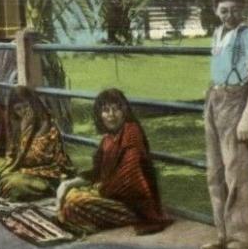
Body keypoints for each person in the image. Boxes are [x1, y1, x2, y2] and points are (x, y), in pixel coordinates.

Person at [200, 0, 248, 249]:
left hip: (235, 102)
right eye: (224, 10)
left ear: (243, 9)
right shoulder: (218, 33)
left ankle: (240, 245)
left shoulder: (247, 34)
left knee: (235, 174)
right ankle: (223, 235)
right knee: (214, 173)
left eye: (235, 10)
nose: (229, 15)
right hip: (214, 100)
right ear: (216, 11)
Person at [56, 88, 173, 235]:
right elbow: (97, 172)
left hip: (134, 205)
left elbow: (129, 176)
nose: (111, 115)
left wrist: (98, 190)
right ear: (99, 114)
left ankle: (90, 222)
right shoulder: (108, 139)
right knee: (71, 194)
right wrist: (67, 184)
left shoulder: (131, 132)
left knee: (74, 204)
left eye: (116, 109)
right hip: (113, 196)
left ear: (125, 112)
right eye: (105, 110)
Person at [0, 86, 73, 202]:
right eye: (18, 109)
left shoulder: (44, 123)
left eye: (26, 106)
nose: (23, 112)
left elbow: (33, 158)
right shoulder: (17, 121)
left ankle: (1, 194)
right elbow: (11, 153)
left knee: (13, 183)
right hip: (19, 166)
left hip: (44, 174)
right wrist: (10, 164)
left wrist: (24, 131)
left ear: (33, 104)